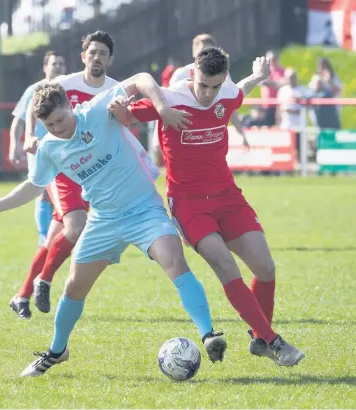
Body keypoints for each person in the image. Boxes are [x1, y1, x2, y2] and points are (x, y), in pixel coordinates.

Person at [0, 73, 227, 376]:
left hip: (144, 209)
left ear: (70, 106)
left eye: (60, 120)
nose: (57, 129)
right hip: (103, 219)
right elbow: (33, 185)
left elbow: (141, 79)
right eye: (49, 125)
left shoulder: (96, 110)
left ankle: (209, 335)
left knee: (173, 260)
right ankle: (57, 350)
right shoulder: (50, 148)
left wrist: (163, 108)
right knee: (74, 286)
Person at [108, 47, 305, 367]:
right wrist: (119, 108)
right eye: (202, 86)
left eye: (215, 87)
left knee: (266, 269)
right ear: (192, 76)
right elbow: (126, 113)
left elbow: (239, 92)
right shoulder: (169, 100)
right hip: (188, 202)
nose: (207, 94)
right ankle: (272, 341)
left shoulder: (225, 94)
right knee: (226, 265)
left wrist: (256, 76)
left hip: (228, 196)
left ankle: (258, 339)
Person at [10, 31, 155, 319]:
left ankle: (22, 295)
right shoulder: (65, 84)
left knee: (56, 237)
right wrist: (28, 136)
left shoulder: (115, 89)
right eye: (92, 52)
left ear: (110, 59)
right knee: (75, 227)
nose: (97, 57)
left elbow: (127, 120)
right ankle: (44, 281)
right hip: (61, 168)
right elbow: (33, 103)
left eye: (103, 53)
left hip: (91, 175)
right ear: (83, 56)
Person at [9, 50, 66, 246]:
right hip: (39, 149)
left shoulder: (66, 89)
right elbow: (18, 120)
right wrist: (14, 146)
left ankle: (63, 234)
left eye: (61, 63)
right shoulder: (34, 90)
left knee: (64, 192)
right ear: (45, 67)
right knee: (42, 190)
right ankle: (44, 237)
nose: (58, 67)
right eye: (54, 63)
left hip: (64, 149)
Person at [169, 33, 249, 148]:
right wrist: (157, 139)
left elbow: (230, 105)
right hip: (185, 136)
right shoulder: (180, 75)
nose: (207, 56)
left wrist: (241, 134)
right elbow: (167, 103)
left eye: (210, 51)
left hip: (211, 135)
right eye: (203, 51)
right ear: (194, 52)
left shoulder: (221, 75)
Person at [277, 68, 309, 160]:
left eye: (293, 77)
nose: (291, 80)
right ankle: (286, 169)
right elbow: (279, 108)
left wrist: (294, 110)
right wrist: (278, 122)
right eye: (289, 78)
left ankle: (300, 167)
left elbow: (306, 106)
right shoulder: (282, 90)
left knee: (299, 148)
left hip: (299, 124)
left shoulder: (303, 90)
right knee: (285, 148)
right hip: (286, 124)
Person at [259, 49, 285, 127]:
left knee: (278, 126)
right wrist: (277, 84)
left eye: (273, 59)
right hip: (267, 104)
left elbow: (284, 83)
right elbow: (264, 82)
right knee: (268, 126)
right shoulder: (264, 71)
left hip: (279, 105)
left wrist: (273, 83)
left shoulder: (282, 71)